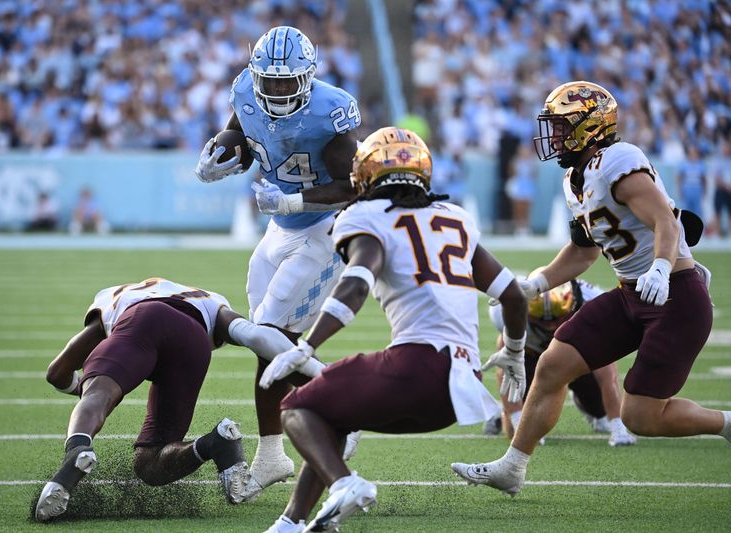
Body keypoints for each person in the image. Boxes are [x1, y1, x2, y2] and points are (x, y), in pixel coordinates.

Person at [453, 81, 730, 496]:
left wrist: (659, 267)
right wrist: (537, 283)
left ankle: (726, 423)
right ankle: (512, 467)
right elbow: (583, 252)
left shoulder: (619, 160)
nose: (554, 136)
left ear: (590, 126)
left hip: (674, 295)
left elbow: (667, 223)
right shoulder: (576, 179)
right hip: (631, 293)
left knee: (641, 417)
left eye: (563, 126)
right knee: (551, 364)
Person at [257, 127, 528, 532]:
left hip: (417, 367)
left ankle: (345, 484)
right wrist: (516, 351)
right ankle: (290, 524)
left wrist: (308, 346)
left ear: (365, 175)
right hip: (461, 387)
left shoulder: (365, 215)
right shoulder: (455, 218)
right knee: (330, 416)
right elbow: (513, 296)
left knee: (297, 408)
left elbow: (358, 281)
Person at [194, 26, 362, 499]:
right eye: (271, 81)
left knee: (270, 329)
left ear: (308, 79)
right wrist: (218, 155)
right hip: (277, 232)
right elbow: (241, 135)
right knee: (262, 337)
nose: (279, 90)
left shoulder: (330, 112)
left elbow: (354, 185)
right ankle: (273, 456)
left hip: (322, 232)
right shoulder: (246, 88)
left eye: (288, 83)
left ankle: (341, 407)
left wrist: (293, 203)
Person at [34, 277, 325, 522]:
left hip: (142, 319)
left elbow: (57, 372)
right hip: (193, 340)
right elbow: (257, 337)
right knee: (149, 463)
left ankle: (78, 449)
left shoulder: (115, 297)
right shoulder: (211, 301)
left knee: (97, 393)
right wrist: (323, 377)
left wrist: (88, 386)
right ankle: (214, 443)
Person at [485, 276, 636, 447]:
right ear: (526, 311)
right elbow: (507, 369)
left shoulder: (593, 303)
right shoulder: (508, 307)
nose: (550, 327)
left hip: (573, 353)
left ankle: (587, 404)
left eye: (556, 319)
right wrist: (517, 420)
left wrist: (618, 427)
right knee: (515, 430)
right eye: (541, 320)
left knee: (601, 413)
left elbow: (607, 373)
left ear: (573, 306)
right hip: (529, 356)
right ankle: (500, 414)